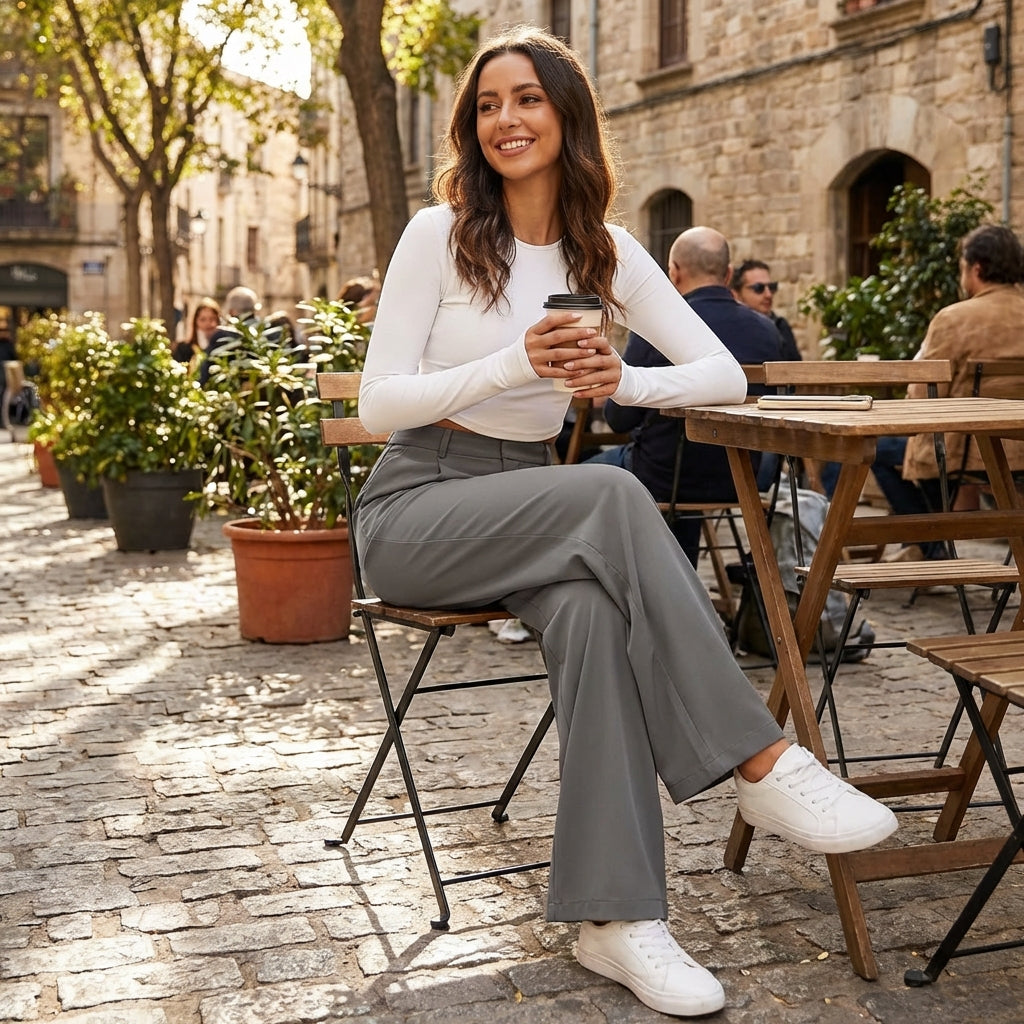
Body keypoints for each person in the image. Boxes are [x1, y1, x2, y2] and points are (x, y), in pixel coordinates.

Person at [353, 25, 896, 1018]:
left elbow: (722, 373)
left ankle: (613, 917)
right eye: (487, 104)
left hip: (533, 506)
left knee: (598, 620)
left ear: (566, 115)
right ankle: (759, 758)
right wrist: (514, 364)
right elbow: (380, 402)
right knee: (609, 492)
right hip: (419, 504)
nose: (505, 119)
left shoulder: (606, 252)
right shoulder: (438, 234)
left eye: (526, 99)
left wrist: (624, 376)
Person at [586, 226, 783, 565]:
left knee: (581, 479)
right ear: (729, 274)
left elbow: (619, 417)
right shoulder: (767, 330)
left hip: (665, 476)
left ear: (673, 272)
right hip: (742, 480)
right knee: (680, 463)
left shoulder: (659, 327)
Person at [872, 223, 1024, 561]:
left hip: (964, 451)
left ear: (977, 268)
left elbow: (924, 394)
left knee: (878, 451)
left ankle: (931, 546)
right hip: (1019, 451)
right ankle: (927, 547)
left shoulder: (954, 319)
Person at [199, 285, 279, 385]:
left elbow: (205, 375)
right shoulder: (272, 332)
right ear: (255, 309)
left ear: (231, 311)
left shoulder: (222, 336)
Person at [730, 259, 801, 361]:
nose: (768, 294)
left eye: (772, 287)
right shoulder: (732, 328)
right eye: (759, 288)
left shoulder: (780, 326)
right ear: (736, 294)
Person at [171, 298, 221, 368]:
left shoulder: (223, 350)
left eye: (212, 319)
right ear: (195, 322)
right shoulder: (183, 349)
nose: (208, 323)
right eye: (203, 319)